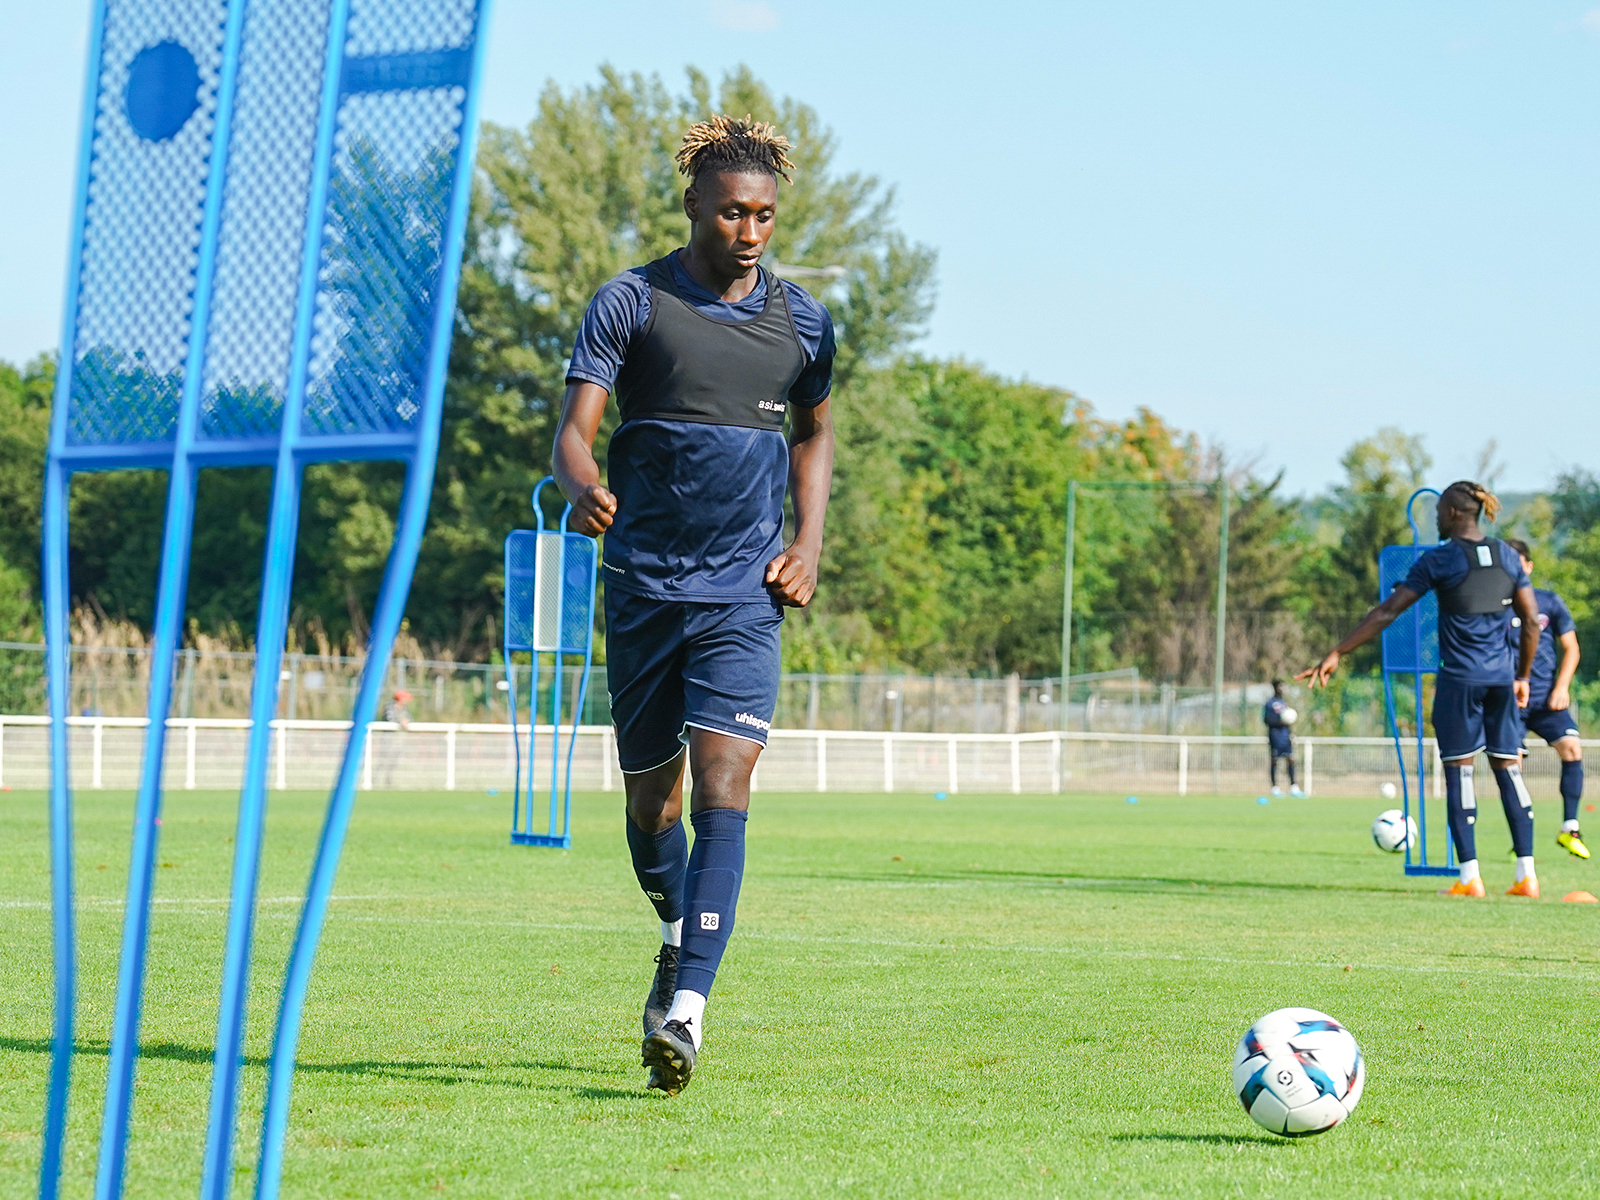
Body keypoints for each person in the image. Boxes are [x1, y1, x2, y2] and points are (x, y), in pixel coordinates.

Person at [552, 115, 835, 1094]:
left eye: (763, 214)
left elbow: (816, 436)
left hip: (743, 595)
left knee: (726, 785)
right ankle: (677, 941)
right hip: (640, 590)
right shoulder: (629, 303)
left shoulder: (800, 322)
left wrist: (804, 543)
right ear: (694, 208)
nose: (750, 230)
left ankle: (688, 1010)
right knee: (649, 806)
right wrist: (582, 483)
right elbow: (574, 432)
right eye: (732, 213)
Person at [1297, 481, 1540, 897]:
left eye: (1437, 513)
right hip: (1501, 680)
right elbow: (1532, 622)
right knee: (1509, 769)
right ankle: (1526, 876)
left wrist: (1338, 650)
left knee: (1460, 772)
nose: (1434, 519)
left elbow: (1388, 611)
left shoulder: (1441, 559)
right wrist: (1522, 676)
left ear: (1451, 514)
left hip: (1460, 680)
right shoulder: (1506, 555)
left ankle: (1470, 878)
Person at [1505, 538, 1587, 859]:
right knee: (1512, 765)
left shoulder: (1549, 602)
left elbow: (1572, 648)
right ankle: (1521, 834)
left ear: (1529, 566)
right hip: (1510, 702)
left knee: (1572, 747)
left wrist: (1562, 687)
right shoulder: (1497, 605)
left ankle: (1570, 828)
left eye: (1517, 562)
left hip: (1545, 700)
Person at [1262, 680, 1305, 797]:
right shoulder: (1270, 703)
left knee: (1291, 759)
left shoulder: (1284, 702)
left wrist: (1290, 733)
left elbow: (1289, 720)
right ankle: (1275, 788)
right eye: (1281, 686)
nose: (1283, 688)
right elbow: (1266, 719)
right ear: (1275, 687)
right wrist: (1280, 721)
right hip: (1275, 736)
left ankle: (1293, 787)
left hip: (1286, 736)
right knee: (1275, 761)